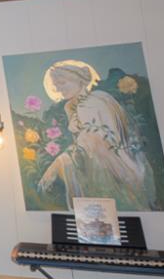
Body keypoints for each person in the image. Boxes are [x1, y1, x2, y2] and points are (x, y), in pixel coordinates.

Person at [37, 62, 157, 210]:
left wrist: (59, 162)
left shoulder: (91, 103)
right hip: (97, 164)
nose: (59, 89)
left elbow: (94, 141)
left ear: (79, 79)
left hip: (110, 165)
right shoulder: (78, 104)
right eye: (56, 85)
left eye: (62, 83)